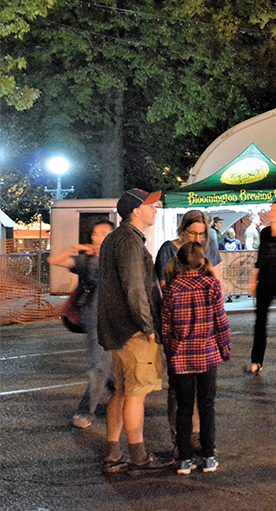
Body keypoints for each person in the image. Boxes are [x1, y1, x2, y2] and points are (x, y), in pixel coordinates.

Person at [97, 188, 174, 474]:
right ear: (136, 211)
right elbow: (135, 288)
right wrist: (148, 326)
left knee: (122, 390)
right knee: (135, 393)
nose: (156, 209)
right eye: (151, 205)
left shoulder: (115, 238)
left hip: (117, 330)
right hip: (133, 332)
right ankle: (138, 456)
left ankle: (113, 452)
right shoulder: (129, 242)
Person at [161, 242, 231, 475]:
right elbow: (221, 321)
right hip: (207, 354)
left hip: (181, 357)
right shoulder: (211, 285)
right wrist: (225, 349)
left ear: (179, 262)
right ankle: (209, 456)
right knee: (207, 406)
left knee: (184, 408)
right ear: (203, 261)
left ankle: (184, 459)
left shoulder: (172, 288)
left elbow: (166, 327)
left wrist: (172, 351)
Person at [48, 219, 115, 429]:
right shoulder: (86, 261)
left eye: (105, 233)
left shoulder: (117, 258)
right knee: (100, 366)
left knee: (111, 366)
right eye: (96, 233)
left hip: (117, 319)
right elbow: (54, 260)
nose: (99, 237)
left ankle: (119, 394)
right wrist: (77, 248)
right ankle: (85, 411)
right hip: (94, 318)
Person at [246, 200, 276, 376]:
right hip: (265, 280)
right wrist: (253, 281)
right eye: (272, 210)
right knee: (260, 322)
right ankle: (256, 360)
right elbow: (260, 258)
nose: (273, 213)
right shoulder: (264, 233)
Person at [154, 210, 220, 287]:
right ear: (182, 230)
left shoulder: (210, 246)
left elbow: (218, 281)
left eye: (201, 234)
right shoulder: (168, 249)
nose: (197, 239)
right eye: (192, 233)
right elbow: (163, 285)